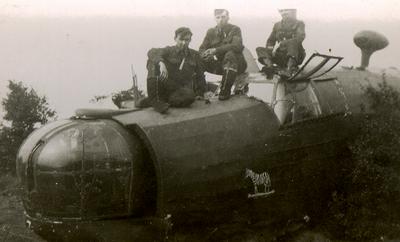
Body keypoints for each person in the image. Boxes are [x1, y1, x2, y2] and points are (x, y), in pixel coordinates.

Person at [138, 27, 208, 113]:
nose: (184, 43)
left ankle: (157, 100)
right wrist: (161, 63)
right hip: (164, 85)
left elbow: (200, 75)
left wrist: (200, 93)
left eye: (187, 40)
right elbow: (151, 52)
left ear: (190, 40)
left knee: (190, 97)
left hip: (178, 90)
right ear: (175, 39)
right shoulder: (169, 50)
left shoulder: (195, 55)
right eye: (181, 39)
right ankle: (156, 100)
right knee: (152, 61)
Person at [199, 9, 247, 100]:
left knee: (230, 54)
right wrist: (205, 55)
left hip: (236, 65)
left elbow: (237, 46)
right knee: (197, 59)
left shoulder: (235, 29)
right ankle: (201, 90)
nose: (220, 20)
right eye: (218, 17)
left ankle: (225, 90)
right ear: (214, 18)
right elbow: (202, 48)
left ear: (228, 18)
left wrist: (216, 50)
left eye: (223, 17)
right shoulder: (211, 32)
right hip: (221, 66)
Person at [256, 9, 306, 78]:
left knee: (293, 43)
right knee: (259, 49)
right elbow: (271, 40)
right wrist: (270, 51)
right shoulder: (277, 25)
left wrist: (284, 43)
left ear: (292, 12)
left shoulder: (299, 24)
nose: (284, 13)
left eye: (287, 11)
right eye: (282, 11)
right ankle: (270, 67)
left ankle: (289, 69)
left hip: (295, 55)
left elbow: (300, 37)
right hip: (280, 55)